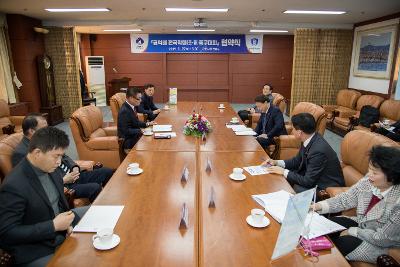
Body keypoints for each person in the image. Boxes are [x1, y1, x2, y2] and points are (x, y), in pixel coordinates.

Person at [0, 127, 89, 266]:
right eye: (56, 156)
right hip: (37, 248)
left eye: (61, 156)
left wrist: (66, 224)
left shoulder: (50, 168)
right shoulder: (14, 185)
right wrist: (53, 226)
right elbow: (7, 233)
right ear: (37, 153)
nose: (60, 162)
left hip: (61, 225)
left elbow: (58, 202)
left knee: (97, 211)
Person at [312, 146, 400, 264]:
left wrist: (354, 231)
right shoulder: (369, 181)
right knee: (324, 225)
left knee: (341, 244)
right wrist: (317, 206)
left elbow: (383, 238)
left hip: (381, 244)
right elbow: (346, 198)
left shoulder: (397, 203)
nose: (369, 175)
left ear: (392, 176)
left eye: (374, 172)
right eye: (369, 169)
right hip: (362, 224)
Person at [12, 113, 113, 202]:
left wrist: (74, 167)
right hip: (63, 185)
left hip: (73, 175)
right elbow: (35, 182)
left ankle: (112, 201)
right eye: (44, 128)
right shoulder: (21, 153)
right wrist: (63, 180)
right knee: (94, 188)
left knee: (107, 171)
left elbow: (64, 156)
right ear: (32, 131)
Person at [264, 113, 345, 193]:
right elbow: (296, 161)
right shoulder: (310, 138)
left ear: (299, 132)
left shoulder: (318, 151)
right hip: (313, 177)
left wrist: (283, 171)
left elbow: (308, 181)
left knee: (296, 186)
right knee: (283, 176)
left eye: (293, 129)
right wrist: (276, 162)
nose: (292, 131)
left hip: (326, 188)